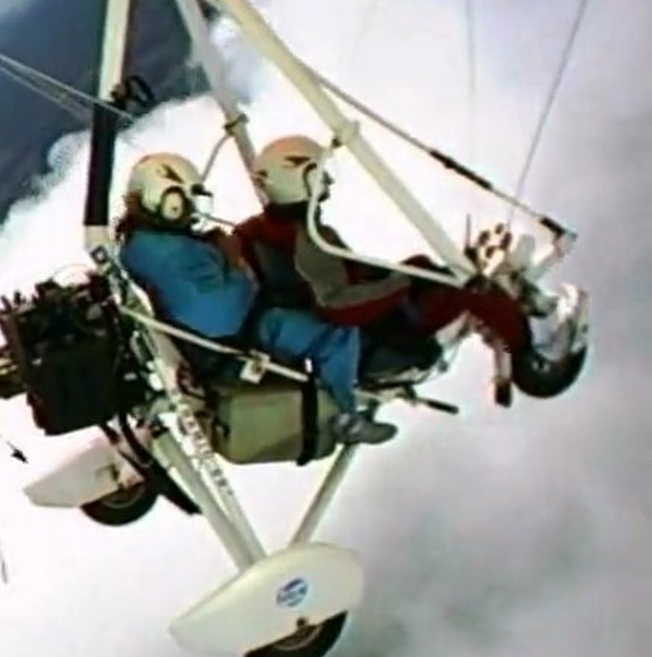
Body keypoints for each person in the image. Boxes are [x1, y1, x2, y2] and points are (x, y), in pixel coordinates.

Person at [115, 151, 397, 446]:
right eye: (185, 201)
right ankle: (344, 415)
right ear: (167, 202)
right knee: (336, 333)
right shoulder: (169, 255)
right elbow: (220, 314)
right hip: (238, 342)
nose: (191, 210)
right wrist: (235, 265)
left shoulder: (145, 246)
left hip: (224, 335)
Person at [234, 135, 537, 374]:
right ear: (301, 179)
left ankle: (468, 292)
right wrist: (399, 284)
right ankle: (527, 353)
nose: (327, 181)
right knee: (470, 286)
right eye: (320, 174)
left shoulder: (263, 229)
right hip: (379, 332)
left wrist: (400, 275)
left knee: (420, 265)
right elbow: (336, 305)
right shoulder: (309, 240)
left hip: (356, 314)